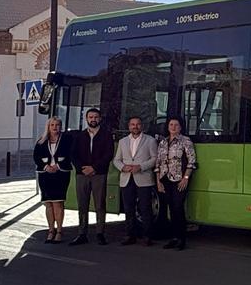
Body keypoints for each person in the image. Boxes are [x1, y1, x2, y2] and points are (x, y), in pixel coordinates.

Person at [70, 108, 114, 246]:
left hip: (98, 174)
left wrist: (94, 168)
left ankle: (100, 233)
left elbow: (108, 154)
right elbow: (73, 155)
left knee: (100, 204)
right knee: (82, 204)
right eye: (90, 117)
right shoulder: (79, 136)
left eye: (96, 117)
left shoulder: (106, 135)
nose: (93, 119)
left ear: (99, 119)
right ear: (86, 119)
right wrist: (82, 168)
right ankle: (82, 233)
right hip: (82, 174)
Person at [113, 115, 158, 246]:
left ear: (141, 126)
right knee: (128, 208)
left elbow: (155, 158)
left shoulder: (150, 141)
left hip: (143, 178)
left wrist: (141, 167)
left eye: (138, 124)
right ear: (129, 127)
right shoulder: (123, 142)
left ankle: (147, 236)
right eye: (133, 124)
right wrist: (123, 167)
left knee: (145, 208)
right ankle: (129, 235)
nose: (135, 126)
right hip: (126, 178)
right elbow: (116, 160)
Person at [156, 115, 197, 251]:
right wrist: (158, 181)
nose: (173, 127)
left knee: (178, 207)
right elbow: (158, 163)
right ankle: (173, 237)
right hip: (165, 179)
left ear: (181, 127)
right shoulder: (163, 142)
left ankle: (181, 239)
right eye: (171, 125)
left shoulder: (185, 141)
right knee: (171, 208)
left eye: (176, 125)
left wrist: (186, 178)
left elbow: (191, 161)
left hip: (179, 179)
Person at [34, 117, 74, 243]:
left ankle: (59, 231)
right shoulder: (41, 141)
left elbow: (71, 155)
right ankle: (51, 230)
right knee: (48, 203)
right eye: (52, 125)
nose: (55, 127)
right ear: (48, 126)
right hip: (45, 174)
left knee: (58, 203)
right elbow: (36, 157)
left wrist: (57, 166)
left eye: (57, 125)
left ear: (60, 126)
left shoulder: (67, 140)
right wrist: (46, 166)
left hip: (60, 173)